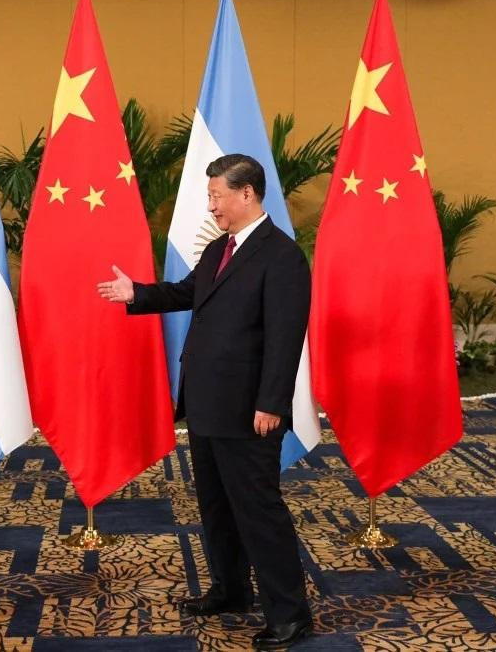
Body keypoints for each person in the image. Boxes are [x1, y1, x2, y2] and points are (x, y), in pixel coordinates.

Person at [98, 154, 314, 649]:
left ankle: (290, 612)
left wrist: (272, 403)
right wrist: (137, 293)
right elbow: (186, 292)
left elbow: (286, 337)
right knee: (217, 505)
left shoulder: (281, 256)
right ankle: (231, 589)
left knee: (259, 510)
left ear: (247, 194)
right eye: (210, 195)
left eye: (217, 195)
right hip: (207, 403)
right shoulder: (220, 248)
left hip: (250, 410)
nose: (211, 205)